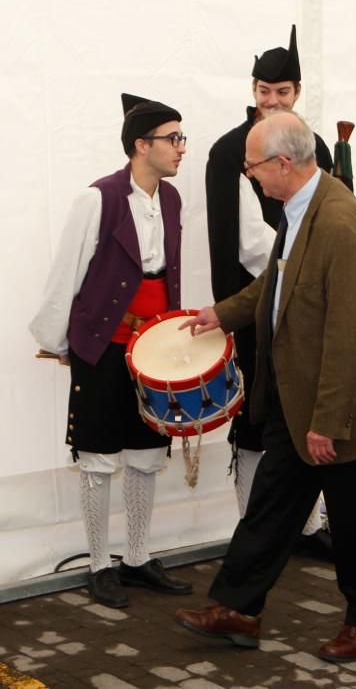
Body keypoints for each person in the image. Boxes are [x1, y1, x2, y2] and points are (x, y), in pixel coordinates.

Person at [175, 112, 356, 662]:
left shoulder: (338, 222)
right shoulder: (298, 210)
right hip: (297, 395)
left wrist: (328, 420)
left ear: (283, 163)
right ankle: (238, 607)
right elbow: (275, 286)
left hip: (333, 407)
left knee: (351, 521)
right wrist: (222, 315)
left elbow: (350, 333)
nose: (251, 177)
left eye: (254, 168)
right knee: (272, 506)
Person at [30, 93, 192, 608]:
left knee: (145, 457)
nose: (181, 148)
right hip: (103, 346)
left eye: (181, 137)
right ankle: (100, 564)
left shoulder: (170, 200)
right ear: (141, 145)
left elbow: (167, 276)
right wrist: (61, 343)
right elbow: (66, 276)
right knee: (99, 458)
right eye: (173, 138)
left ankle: (139, 558)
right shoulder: (97, 199)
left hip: (153, 349)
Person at [206, 25, 333, 558]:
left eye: (282, 92)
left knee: (307, 411)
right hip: (256, 305)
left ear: (297, 93)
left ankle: (310, 525)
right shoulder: (228, 152)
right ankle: (252, 528)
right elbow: (241, 242)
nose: (272, 100)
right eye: (264, 90)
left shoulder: (316, 148)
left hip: (306, 309)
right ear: (252, 89)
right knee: (255, 421)